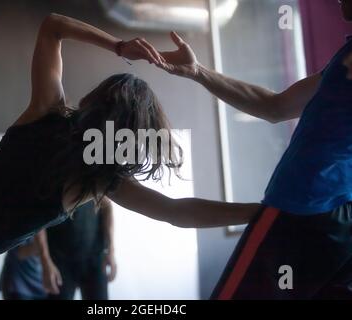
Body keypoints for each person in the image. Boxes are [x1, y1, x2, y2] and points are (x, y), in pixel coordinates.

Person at [0, 12, 258, 300]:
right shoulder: (103, 181)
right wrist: (258, 214)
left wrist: (119, 46)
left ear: (96, 100)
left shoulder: (48, 110)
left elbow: (52, 26)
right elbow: (176, 211)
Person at [144, 0, 352, 300]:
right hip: (325, 217)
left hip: (303, 211)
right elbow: (275, 106)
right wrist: (197, 71)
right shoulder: (343, 57)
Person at [40, 199, 116, 300]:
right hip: (60, 261)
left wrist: (111, 250)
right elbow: (38, 219)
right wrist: (45, 261)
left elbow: (106, 205)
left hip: (94, 257)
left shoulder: (94, 182)